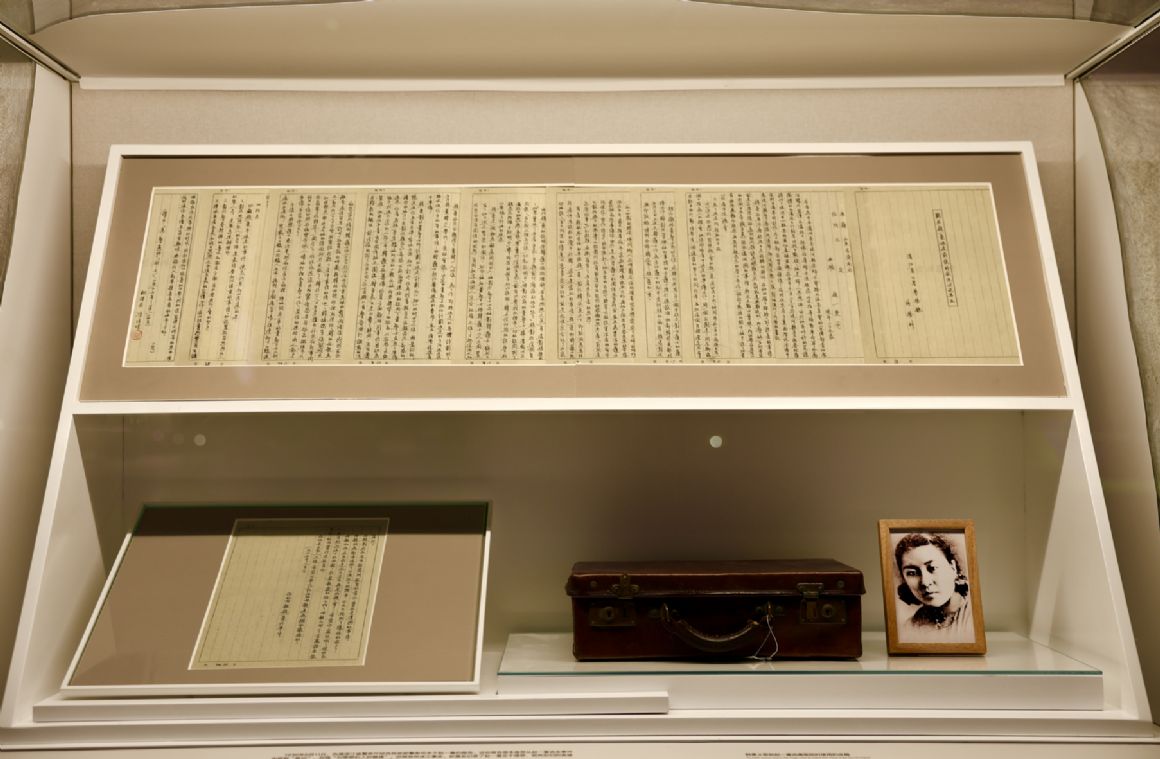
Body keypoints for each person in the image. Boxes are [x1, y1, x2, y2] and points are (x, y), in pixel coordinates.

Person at [894, 532, 973, 643]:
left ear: (953, 568)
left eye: (933, 568)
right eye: (912, 573)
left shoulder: (972, 618)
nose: (925, 582)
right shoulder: (910, 627)